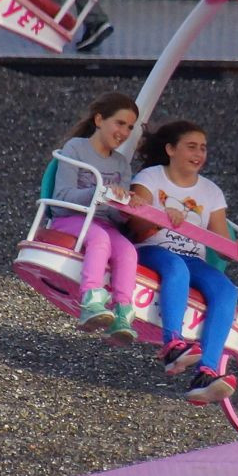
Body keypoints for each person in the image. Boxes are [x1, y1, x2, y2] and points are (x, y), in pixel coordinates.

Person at [130, 120, 238, 404]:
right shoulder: (151, 177)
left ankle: (207, 370)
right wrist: (160, 217)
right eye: (191, 146)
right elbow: (134, 223)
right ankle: (173, 344)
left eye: (203, 148)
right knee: (176, 268)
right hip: (152, 248)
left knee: (225, 290)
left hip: (193, 257)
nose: (199, 153)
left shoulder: (211, 192)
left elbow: (222, 246)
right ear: (171, 149)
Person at [51, 92, 145, 344]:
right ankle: (91, 299)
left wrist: (128, 206)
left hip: (102, 222)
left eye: (130, 127)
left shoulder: (122, 164)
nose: (124, 132)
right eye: (120, 123)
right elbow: (62, 195)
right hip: (71, 217)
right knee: (100, 238)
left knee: (127, 251)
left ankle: (123, 311)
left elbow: (115, 216)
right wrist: (99, 192)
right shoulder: (76, 148)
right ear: (100, 119)